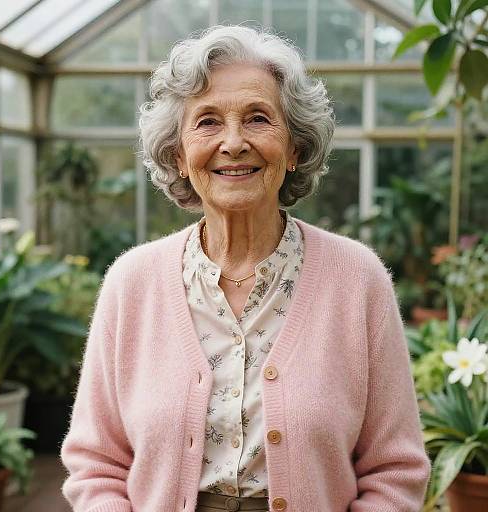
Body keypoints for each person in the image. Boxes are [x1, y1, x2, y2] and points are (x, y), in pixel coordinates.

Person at [60, 25, 431, 512]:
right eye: (207, 122)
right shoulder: (132, 283)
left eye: (258, 119)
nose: (233, 143)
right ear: (178, 153)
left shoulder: (357, 279)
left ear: (295, 147)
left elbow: (395, 469)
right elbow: (96, 463)